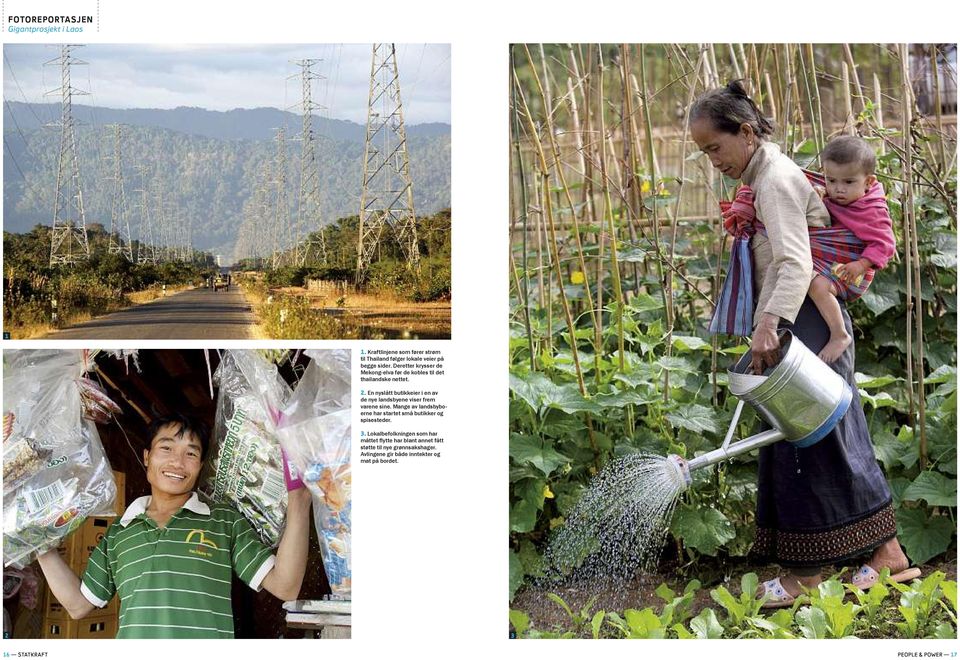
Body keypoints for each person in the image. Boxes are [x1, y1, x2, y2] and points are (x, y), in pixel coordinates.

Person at [689, 80, 918, 608]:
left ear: (745, 133)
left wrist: (768, 324)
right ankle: (885, 556)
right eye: (704, 152)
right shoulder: (767, 171)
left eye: (715, 148)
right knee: (830, 431)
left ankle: (809, 574)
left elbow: (794, 260)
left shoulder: (773, 180)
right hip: (803, 316)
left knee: (804, 441)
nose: (712, 161)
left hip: (804, 320)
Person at [36, 413, 312, 638]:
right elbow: (78, 605)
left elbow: (285, 587)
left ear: (201, 464)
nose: (177, 462)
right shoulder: (118, 532)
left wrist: (299, 499)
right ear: (147, 457)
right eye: (166, 448)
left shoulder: (223, 521)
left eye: (191, 454)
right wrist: (36, 543)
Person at [808, 135, 896, 363]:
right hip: (836, 262)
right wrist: (819, 194)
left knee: (817, 286)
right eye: (831, 180)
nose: (838, 190)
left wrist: (862, 264)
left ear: (868, 182)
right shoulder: (837, 197)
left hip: (855, 271)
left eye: (848, 182)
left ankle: (840, 334)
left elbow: (885, 243)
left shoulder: (871, 210)